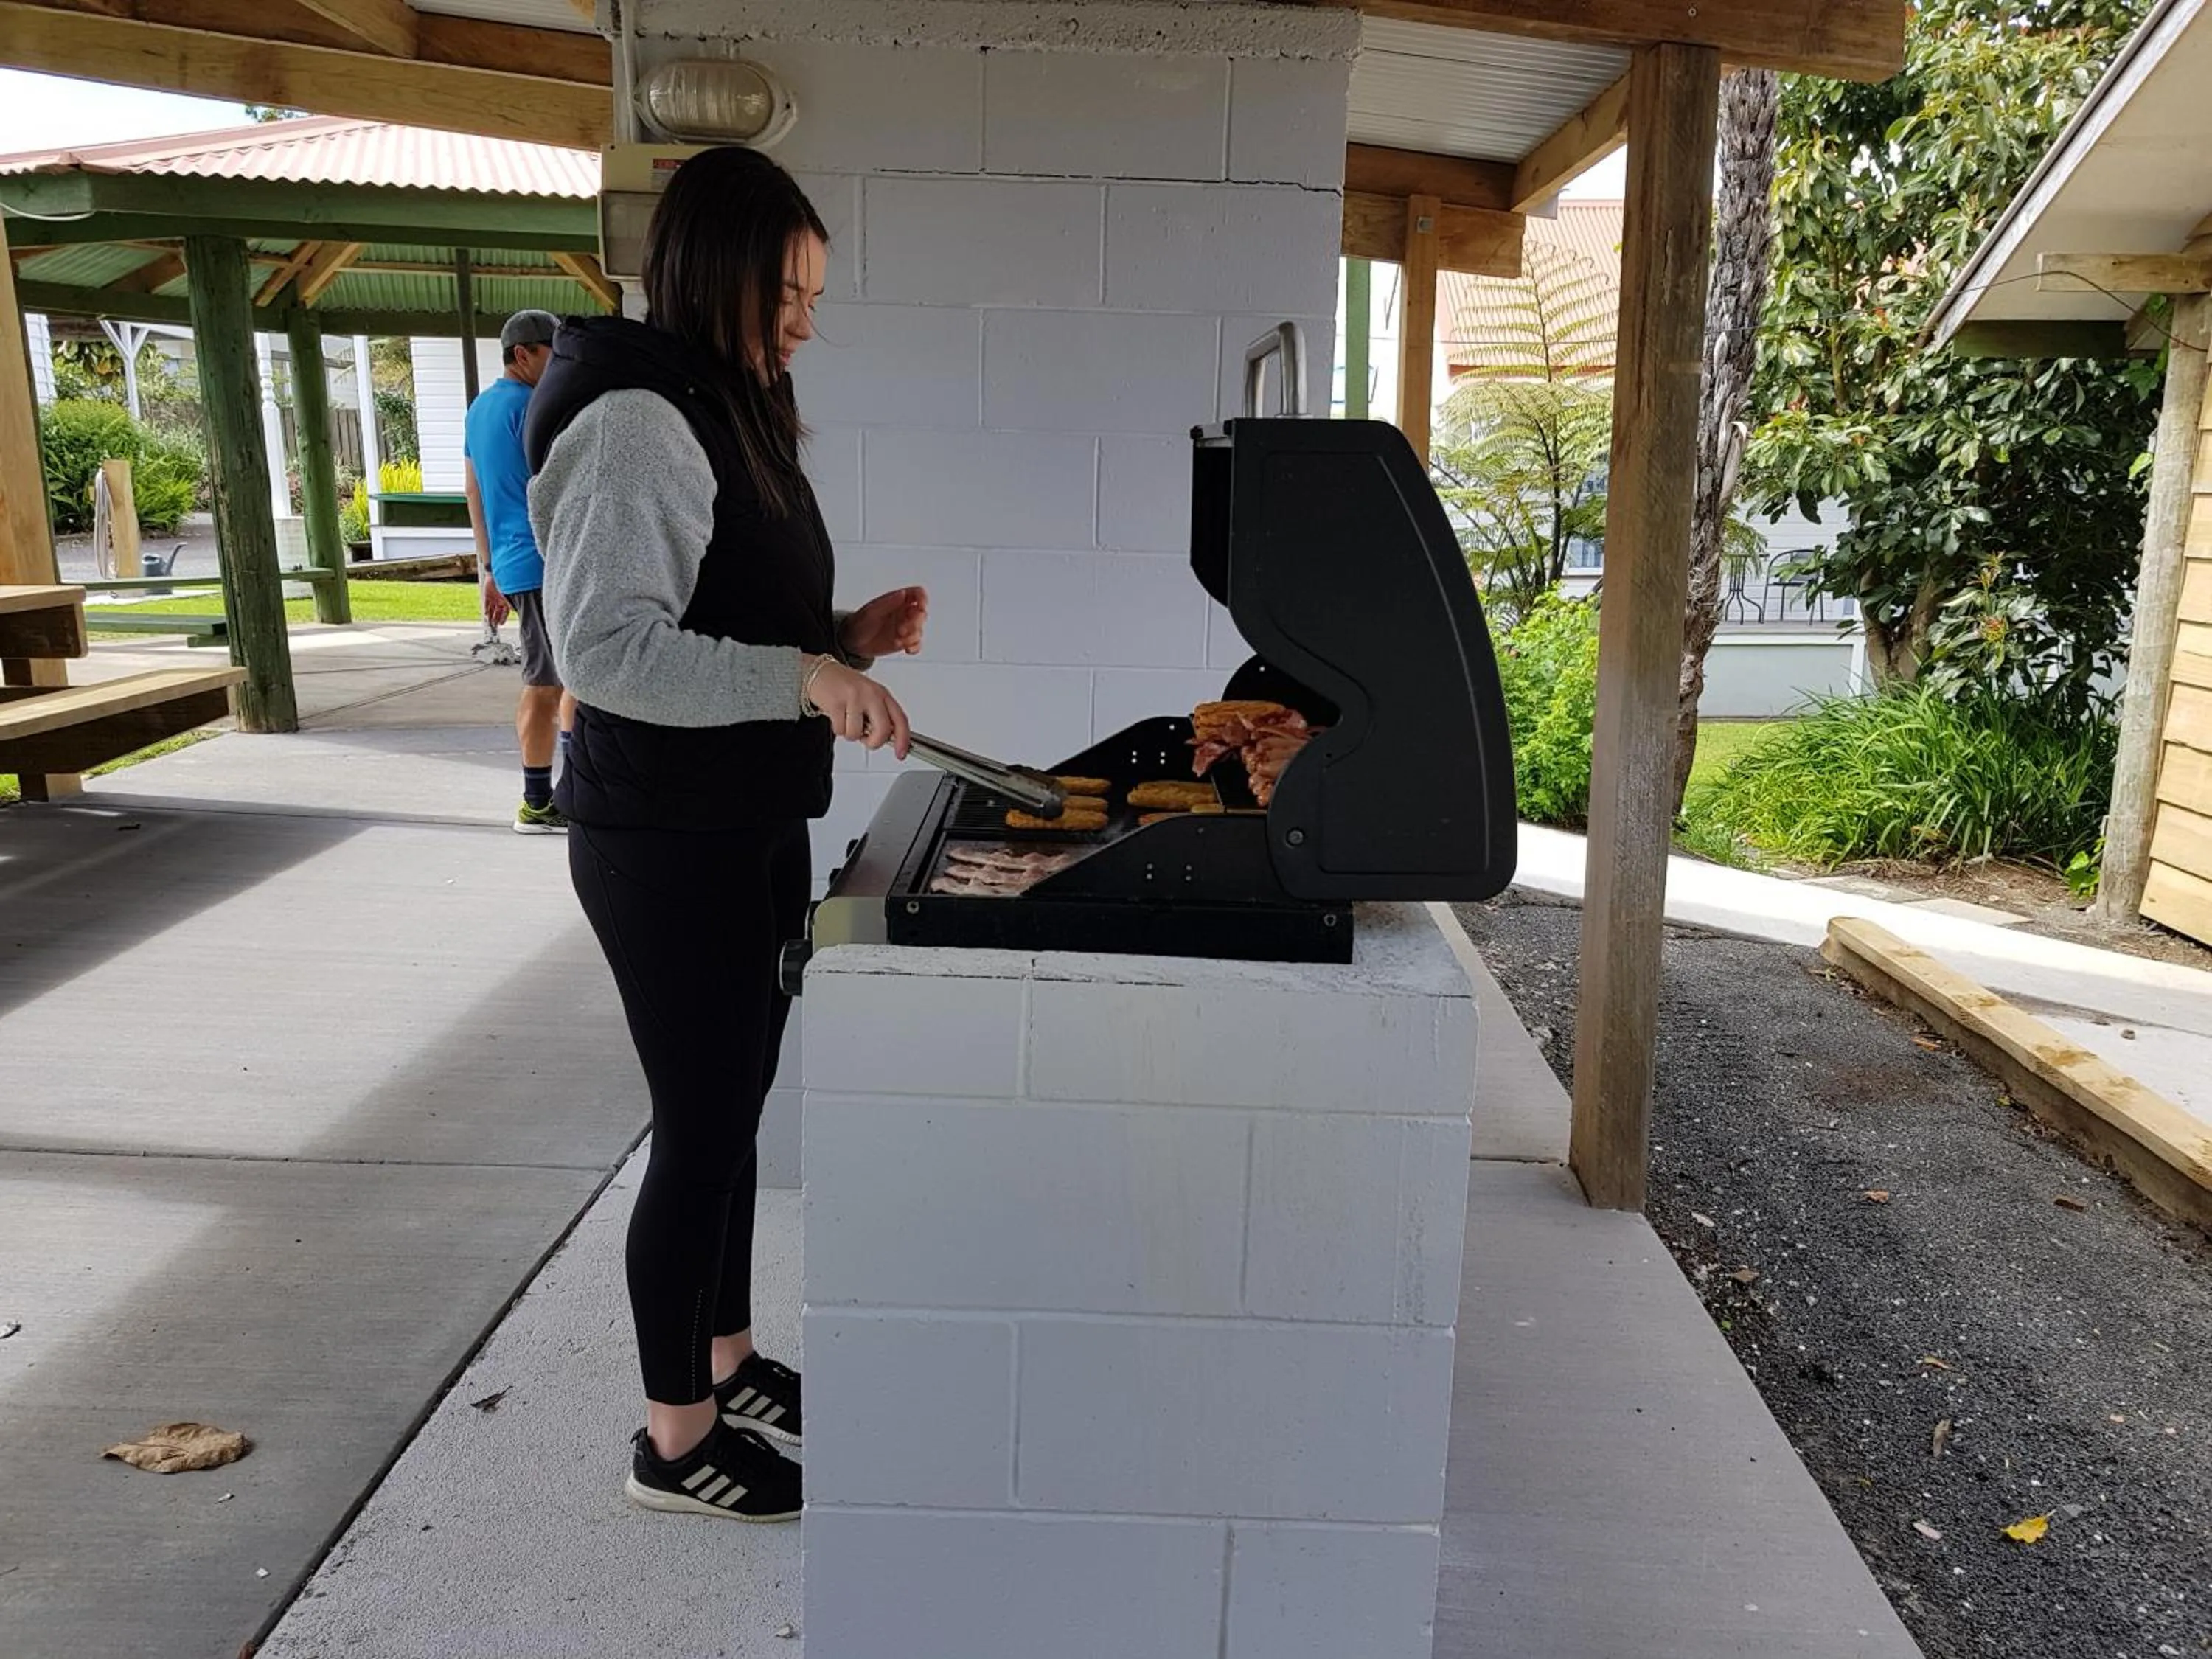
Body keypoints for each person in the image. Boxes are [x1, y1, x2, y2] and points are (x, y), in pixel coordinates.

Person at [524, 147, 928, 1523]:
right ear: (712, 273)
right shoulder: (639, 419)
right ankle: (674, 1438)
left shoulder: (725, 399)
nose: (804, 324)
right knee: (698, 1126)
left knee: (736, 1109)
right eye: (786, 294)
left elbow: (718, 614)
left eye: (814, 297)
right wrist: (805, 675)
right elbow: (608, 649)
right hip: (662, 831)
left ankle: (729, 1356)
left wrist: (839, 639)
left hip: (740, 811)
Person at [464, 307, 574, 834]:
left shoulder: (480, 410)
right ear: (522, 354)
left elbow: (474, 491)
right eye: (554, 352)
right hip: (545, 561)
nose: (561, 363)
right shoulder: (533, 407)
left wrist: (489, 567)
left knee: (553, 681)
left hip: (513, 563)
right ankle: (546, 802)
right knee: (559, 684)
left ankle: (551, 797)